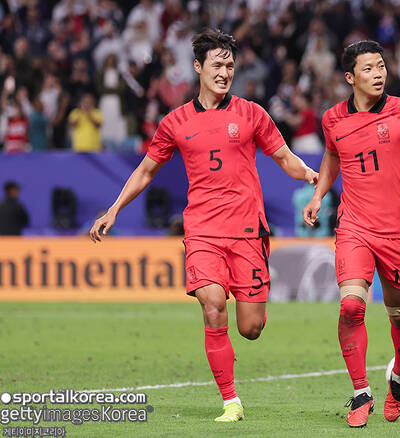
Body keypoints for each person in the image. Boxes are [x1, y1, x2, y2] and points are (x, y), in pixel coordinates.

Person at [88, 29, 318, 424]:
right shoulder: (175, 122)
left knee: (251, 328)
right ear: (198, 67)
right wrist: (114, 209)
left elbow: (284, 157)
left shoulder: (251, 113)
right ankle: (231, 401)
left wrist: (310, 174)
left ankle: (248, 325)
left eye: (230, 65)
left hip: (247, 232)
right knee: (213, 306)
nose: (225, 72)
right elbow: (146, 171)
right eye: (217, 64)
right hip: (202, 232)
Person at [302, 41, 400, 427]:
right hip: (354, 227)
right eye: (368, 68)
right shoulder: (332, 119)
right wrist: (319, 195)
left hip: (398, 232)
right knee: (351, 307)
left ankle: (399, 379)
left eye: (381, 66)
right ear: (350, 77)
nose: (378, 74)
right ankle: (361, 392)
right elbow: (332, 155)